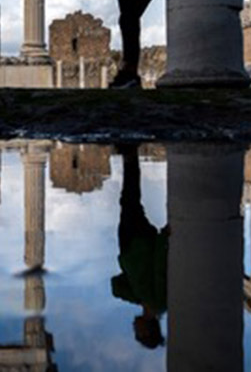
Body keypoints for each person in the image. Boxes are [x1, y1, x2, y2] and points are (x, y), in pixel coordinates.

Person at [110, 143, 168, 349]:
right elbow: (159, 268)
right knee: (129, 200)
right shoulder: (160, 301)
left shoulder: (143, 299)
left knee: (129, 201)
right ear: (147, 329)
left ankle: (130, 157)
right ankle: (130, 155)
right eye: (138, 332)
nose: (134, 327)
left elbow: (116, 286)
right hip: (140, 244)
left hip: (130, 247)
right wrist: (164, 237)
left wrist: (137, 297)